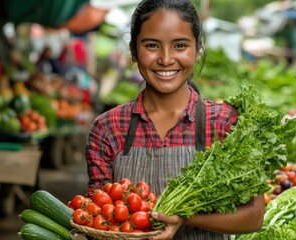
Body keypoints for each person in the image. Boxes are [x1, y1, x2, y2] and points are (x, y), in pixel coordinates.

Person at [85, 0, 265, 239]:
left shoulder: (225, 123)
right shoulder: (108, 128)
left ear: (197, 49)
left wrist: (185, 218)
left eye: (180, 45)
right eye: (152, 45)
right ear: (133, 51)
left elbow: (254, 216)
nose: (166, 59)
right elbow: (96, 216)